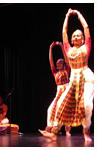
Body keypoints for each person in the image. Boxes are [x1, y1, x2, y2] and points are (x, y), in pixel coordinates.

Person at [40, 9, 94, 142]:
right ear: (71, 39)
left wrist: (79, 14)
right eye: (74, 36)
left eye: (78, 36)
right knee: (60, 105)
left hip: (86, 77)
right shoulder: (68, 49)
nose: (76, 37)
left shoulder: (86, 47)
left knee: (86, 104)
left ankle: (86, 131)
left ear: (82, 39)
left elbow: (86, 27)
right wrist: (67, 16)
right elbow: (64, 32)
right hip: (73, 80)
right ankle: (54, 131)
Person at [38, 41, 71, 137]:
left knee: (63, 110)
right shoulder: (55, 73)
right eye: (57, 63)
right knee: (50, 109)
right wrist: (50, 49)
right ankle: (50, 127)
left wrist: (61, 46)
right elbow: (50, 61)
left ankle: (62, 129)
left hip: (66, 91)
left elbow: (66, 58)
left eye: (60, 62)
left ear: (64, 63)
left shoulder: (67, 70)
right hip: (59, 92)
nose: (58, 64)